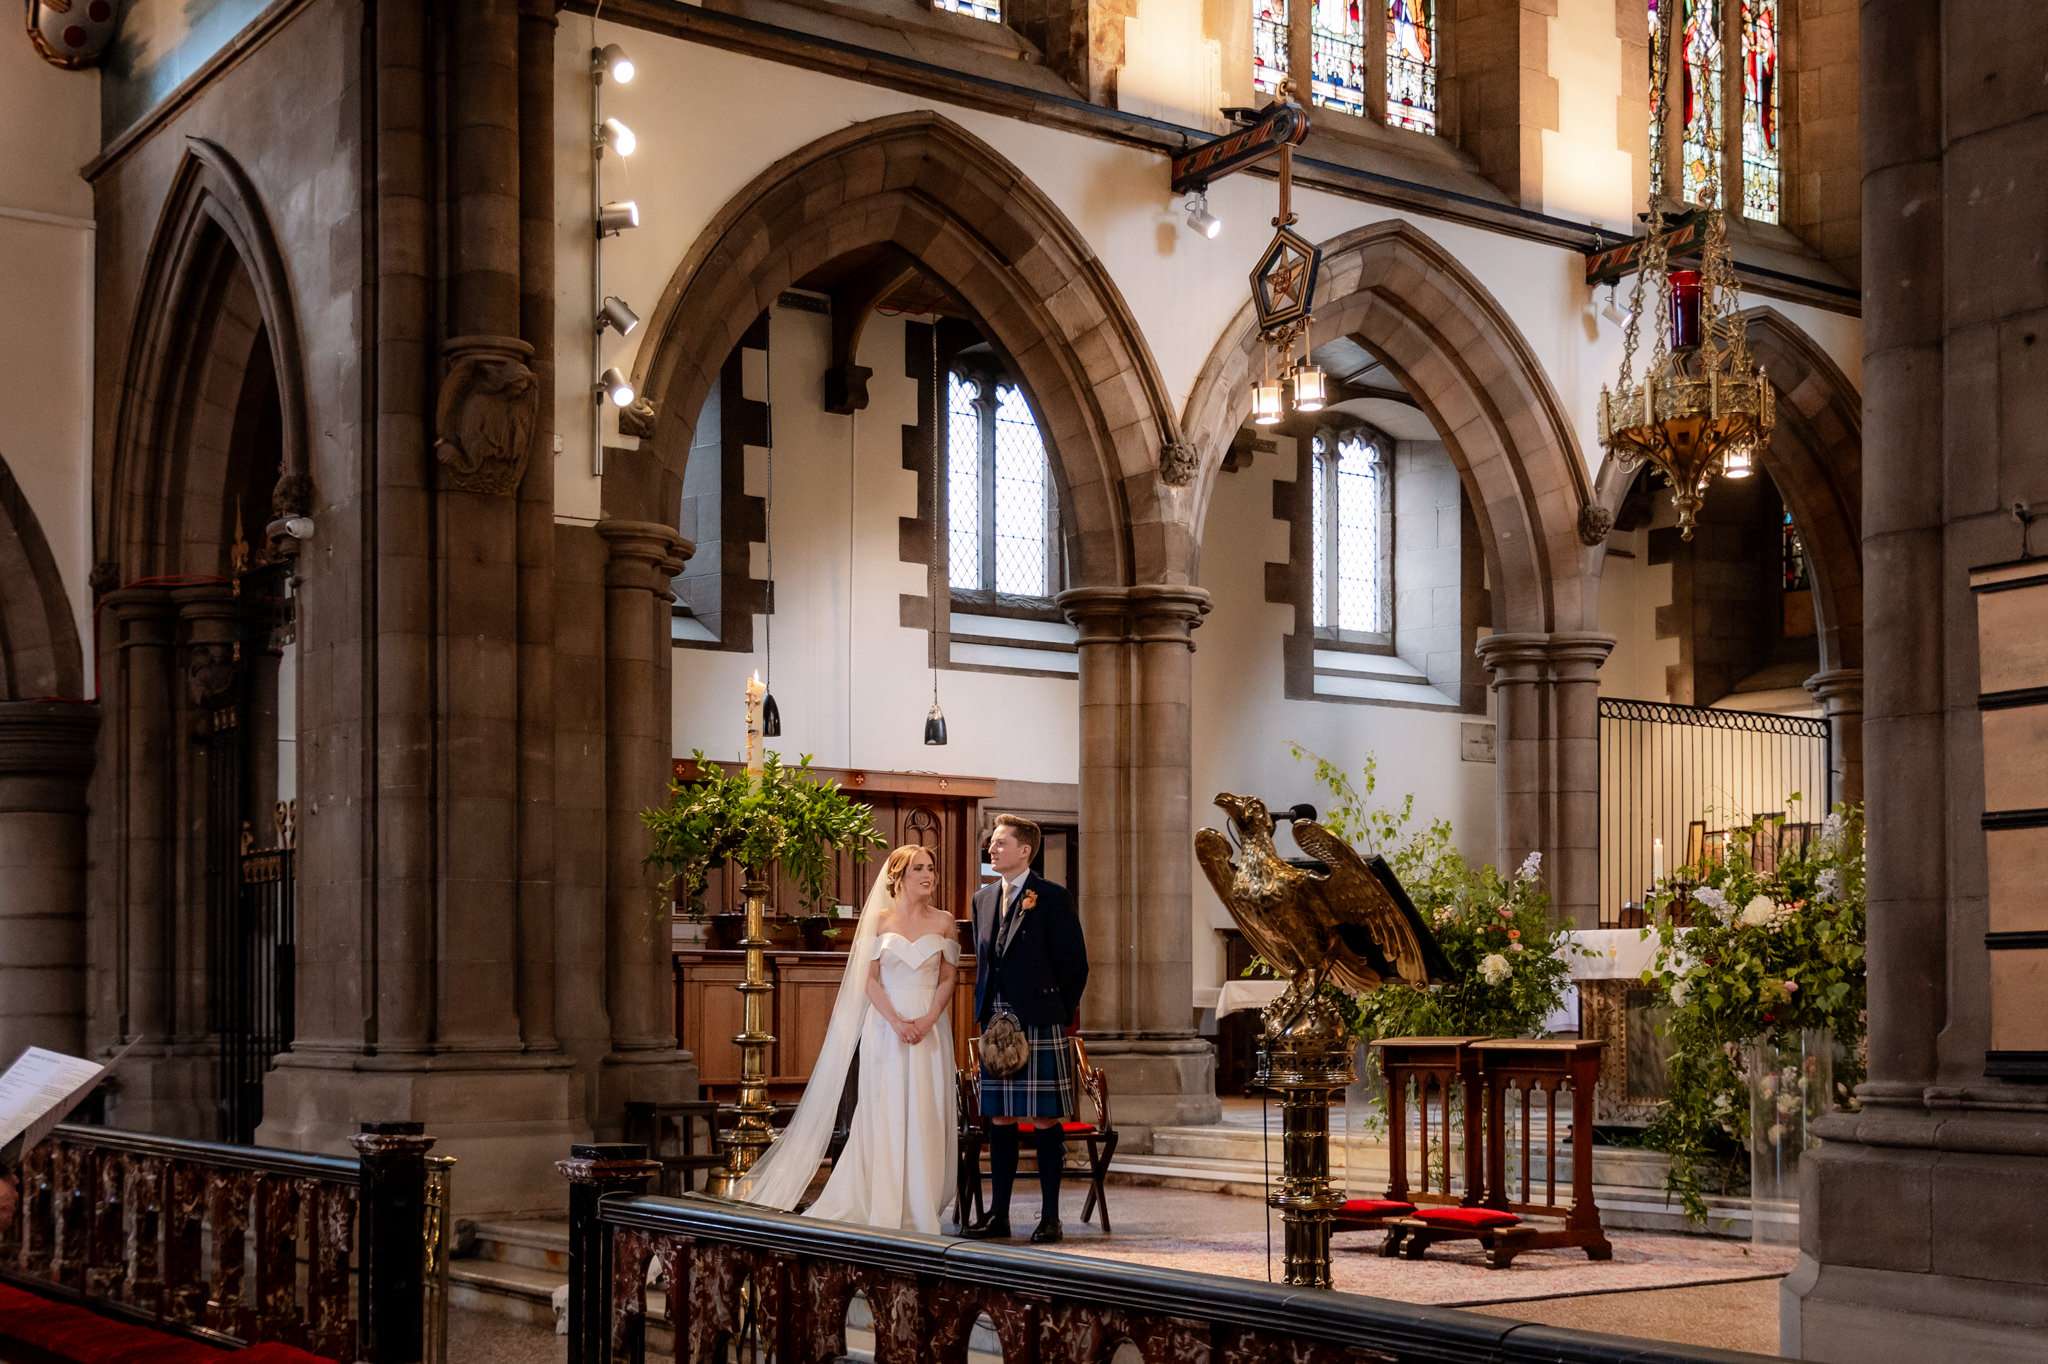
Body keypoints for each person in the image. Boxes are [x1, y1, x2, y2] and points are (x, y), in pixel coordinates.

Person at [736, 844, 960, 1232]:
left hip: (929, 1027)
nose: (928, 875)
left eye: (931, 868)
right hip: (886, 1028)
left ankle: (920, 1203)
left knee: (926, 1109)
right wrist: (896, 1021)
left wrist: (926, 1020)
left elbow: (948, 977)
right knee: (884, 1110)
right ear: (898, 877)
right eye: (918, 869)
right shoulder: (880, 922)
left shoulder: (944, 922)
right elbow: (868, 979)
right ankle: (881, 1199)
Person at [963, 814, 1088, 1244]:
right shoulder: (982, 900)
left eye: (1000, 843)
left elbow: (1075, 964)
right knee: (999, 1117)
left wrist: (1054, 1011)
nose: (992, 849)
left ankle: (1050, 1217)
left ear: (1024, 851)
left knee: (1043, 1117)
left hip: (1039, 1018)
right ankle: (999, 1214)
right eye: (991, 843)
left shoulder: (1051, 897)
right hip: (996, 1020)